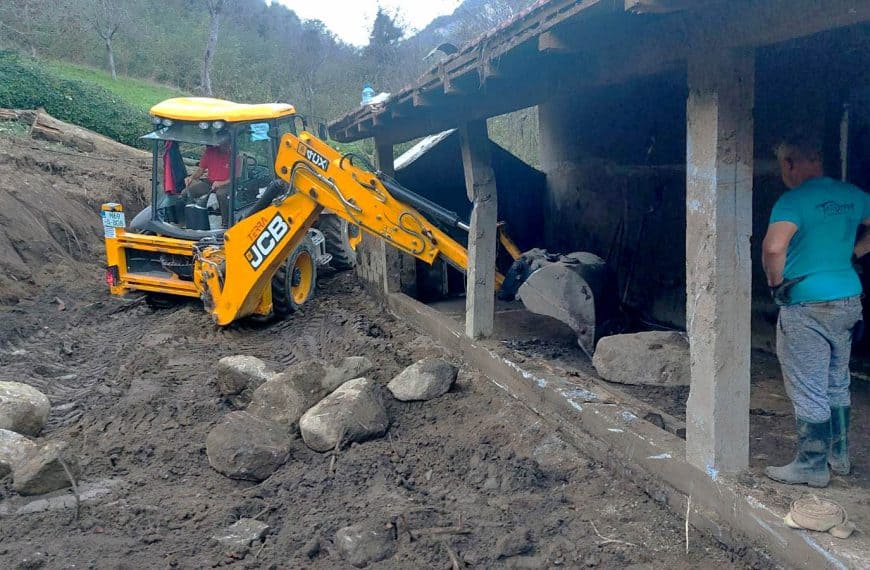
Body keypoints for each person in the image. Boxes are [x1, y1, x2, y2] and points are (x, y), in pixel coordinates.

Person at [762, 133, 870, 487]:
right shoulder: (851, 195)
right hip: (848, 300)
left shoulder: (793, 201)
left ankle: (811, 464)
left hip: (807, 303)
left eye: (782, 165)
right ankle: (839, 457)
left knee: (808, 384)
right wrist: (854, 253)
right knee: (837, 379)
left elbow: (775, 248)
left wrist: (776, 285)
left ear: (791, 163)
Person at [182, 139, 232, 227]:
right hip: (209, 182)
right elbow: (200, 170)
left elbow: (235, 178)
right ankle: (189, 219)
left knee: (221, 194)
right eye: (222, 144)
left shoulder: (235, 157)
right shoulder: (210, 152)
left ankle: (226, 223)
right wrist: (191, 178)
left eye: (227, 145)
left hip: (227, 184)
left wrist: (221, 183)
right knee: (185, 193)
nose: (224, 147)